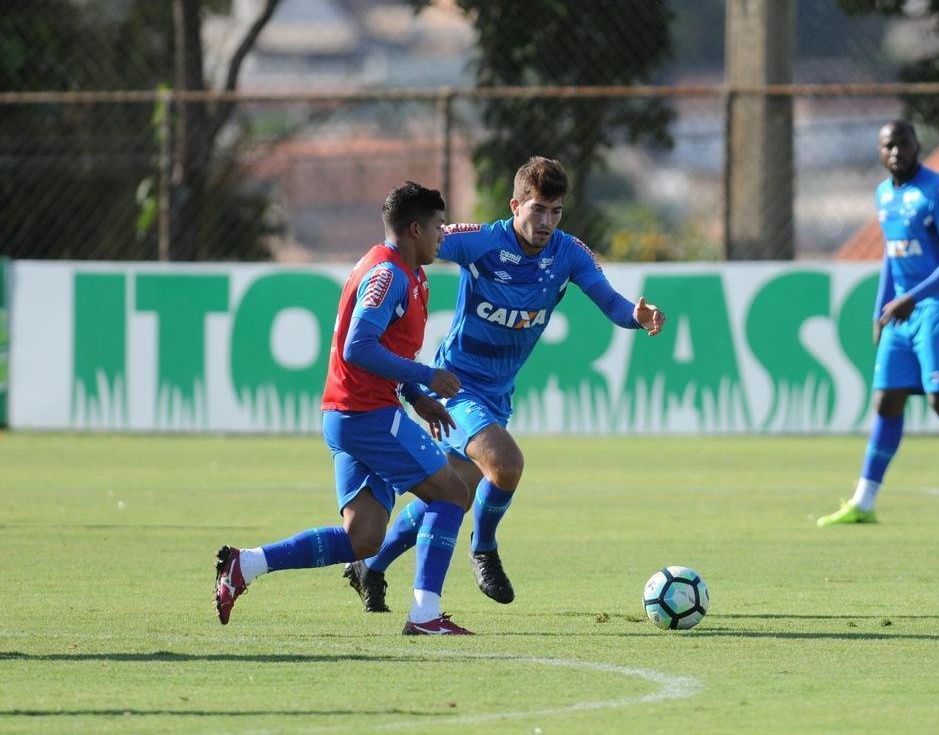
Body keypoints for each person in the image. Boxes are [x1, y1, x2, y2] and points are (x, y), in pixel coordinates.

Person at [341, 156, 666, 613]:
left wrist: (636, 315)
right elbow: (417, 242)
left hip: (497, 395)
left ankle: (370, 567)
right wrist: (381, 272)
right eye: (538, 209)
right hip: (453, 387)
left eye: (556, 211)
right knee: (507, 464)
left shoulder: (569, 253)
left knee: (451, 492)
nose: (547, 221)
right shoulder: (482, 242)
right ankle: (484, 548)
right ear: (516, 206)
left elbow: (610, 302)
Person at [214, 182, 476, 635]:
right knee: (453, 492)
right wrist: (426, 377)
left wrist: (417, 397)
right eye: (438, 226)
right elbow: (358, 346)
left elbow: (386, 349)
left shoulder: (408, 273)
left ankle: (246, 565)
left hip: (353, 414)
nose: (443, 234)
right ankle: (425, 614)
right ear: (415, 229)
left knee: (364, 537)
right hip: (366, 414)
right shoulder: (387, 274)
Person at [817, 120, 939, 529]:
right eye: (888, 146)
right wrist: (879, 310)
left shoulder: (938, 192)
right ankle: (864, 503)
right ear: (879, 152)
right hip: (902, 311)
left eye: (903, 144)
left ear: (917, 145)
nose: (896, 152)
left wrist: (911, 298)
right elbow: (892, 255)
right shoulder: (883, 195)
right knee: (887, 401)